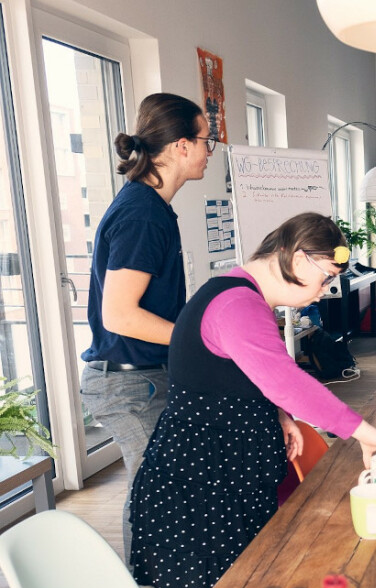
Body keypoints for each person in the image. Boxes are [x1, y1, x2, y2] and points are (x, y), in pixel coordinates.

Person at [129, 213, 376, 588]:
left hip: (217, 478)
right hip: (203, 490)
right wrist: (366, 434)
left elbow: (239, 374)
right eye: (325, 280)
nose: (322, 293)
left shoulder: (235, 294)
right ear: (299, 261)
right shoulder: (238, 304)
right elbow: (285, 381)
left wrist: (278, 414)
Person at [80, 93, 214, 562]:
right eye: (205, 141)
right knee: (156, 491)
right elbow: (120, 314)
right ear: (180, 146)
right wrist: (198, 339)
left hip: (144, 375)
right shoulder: (142, 213)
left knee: (167, 486)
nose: (208, 151)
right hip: (126, 383)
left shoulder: (151, 206)